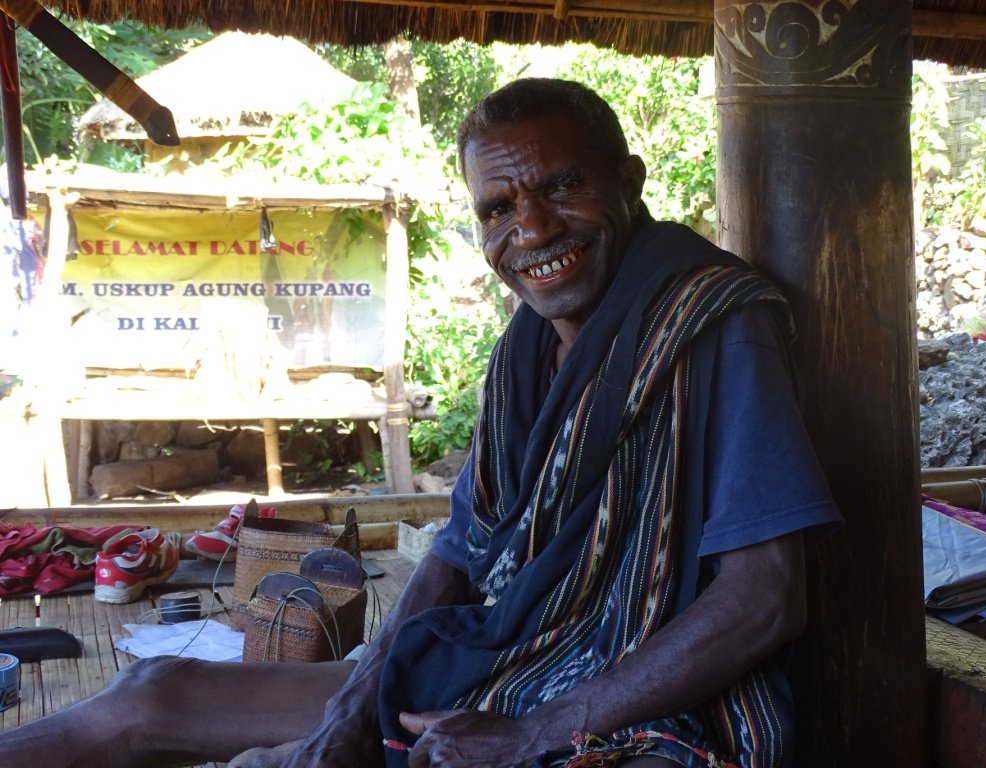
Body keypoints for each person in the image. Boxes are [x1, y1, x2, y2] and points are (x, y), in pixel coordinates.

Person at [0, 78, 840, 768]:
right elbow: (460, 548)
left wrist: (533, 736)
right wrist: (353, 707)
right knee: (148, 695)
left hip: (637, 704)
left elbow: (767, 598)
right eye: (498, 207)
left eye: (562, 187)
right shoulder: (526, 348)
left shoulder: (711, 322)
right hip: (515, 659)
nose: (533, 228)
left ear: (630, 180)